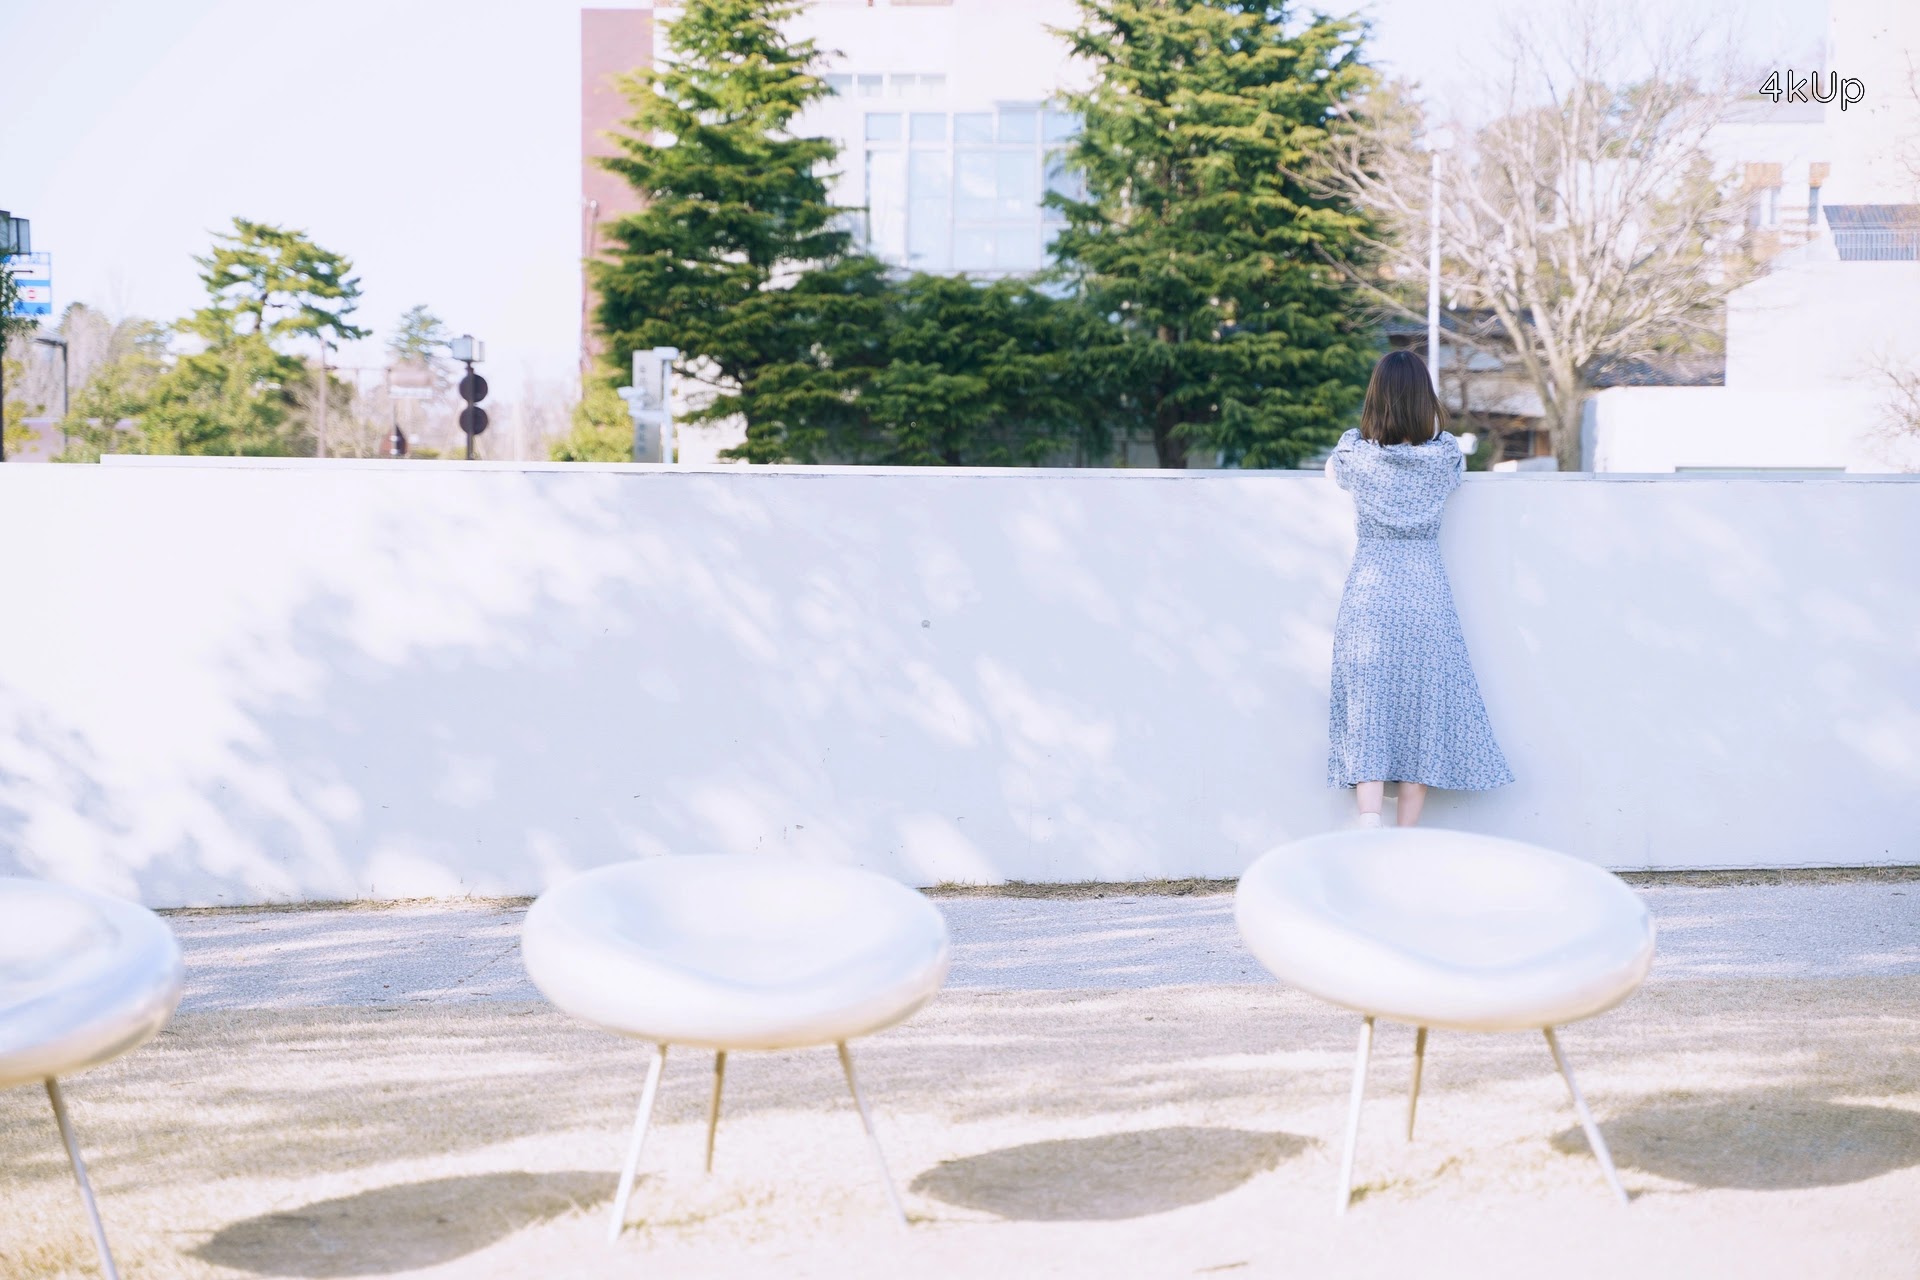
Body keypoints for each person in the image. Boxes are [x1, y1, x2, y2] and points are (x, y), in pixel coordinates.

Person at [1325, 349, 1513, 827]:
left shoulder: (1356, 455)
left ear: (1376, 401)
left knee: (1369, 708)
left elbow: (1332, 471)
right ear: (1423, 401)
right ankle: (1405, 837)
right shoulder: (1443, 456)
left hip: (1370, 593)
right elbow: (1454, 462)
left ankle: (1369, 823)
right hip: (1426, 592)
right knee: (1422, 713)